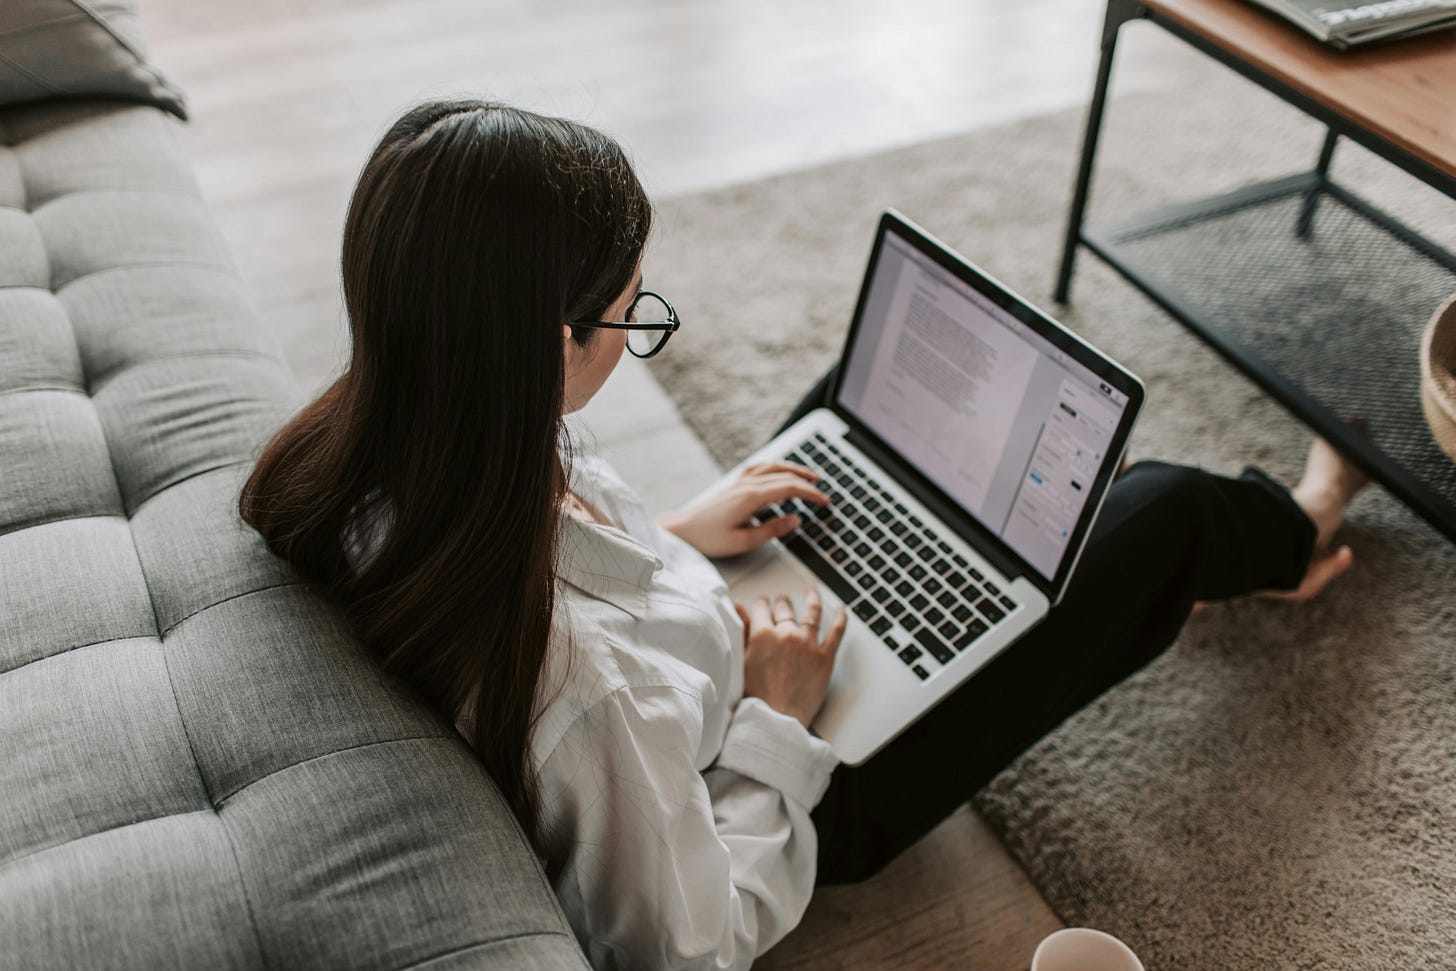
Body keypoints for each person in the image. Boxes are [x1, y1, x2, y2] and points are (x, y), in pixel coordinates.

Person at [239, 99, 1368, 969]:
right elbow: (692, 943)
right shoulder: (589, 694)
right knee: (1162, 512)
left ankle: (1041, 504)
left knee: (858, 415)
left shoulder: (395, 439)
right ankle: (1295, 531)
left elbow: (561, 574)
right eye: (631, 313)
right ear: (545, 340)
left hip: (705, 640)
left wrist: (674, 534)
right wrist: (777, 720)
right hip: (795, 781)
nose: (641, 323)